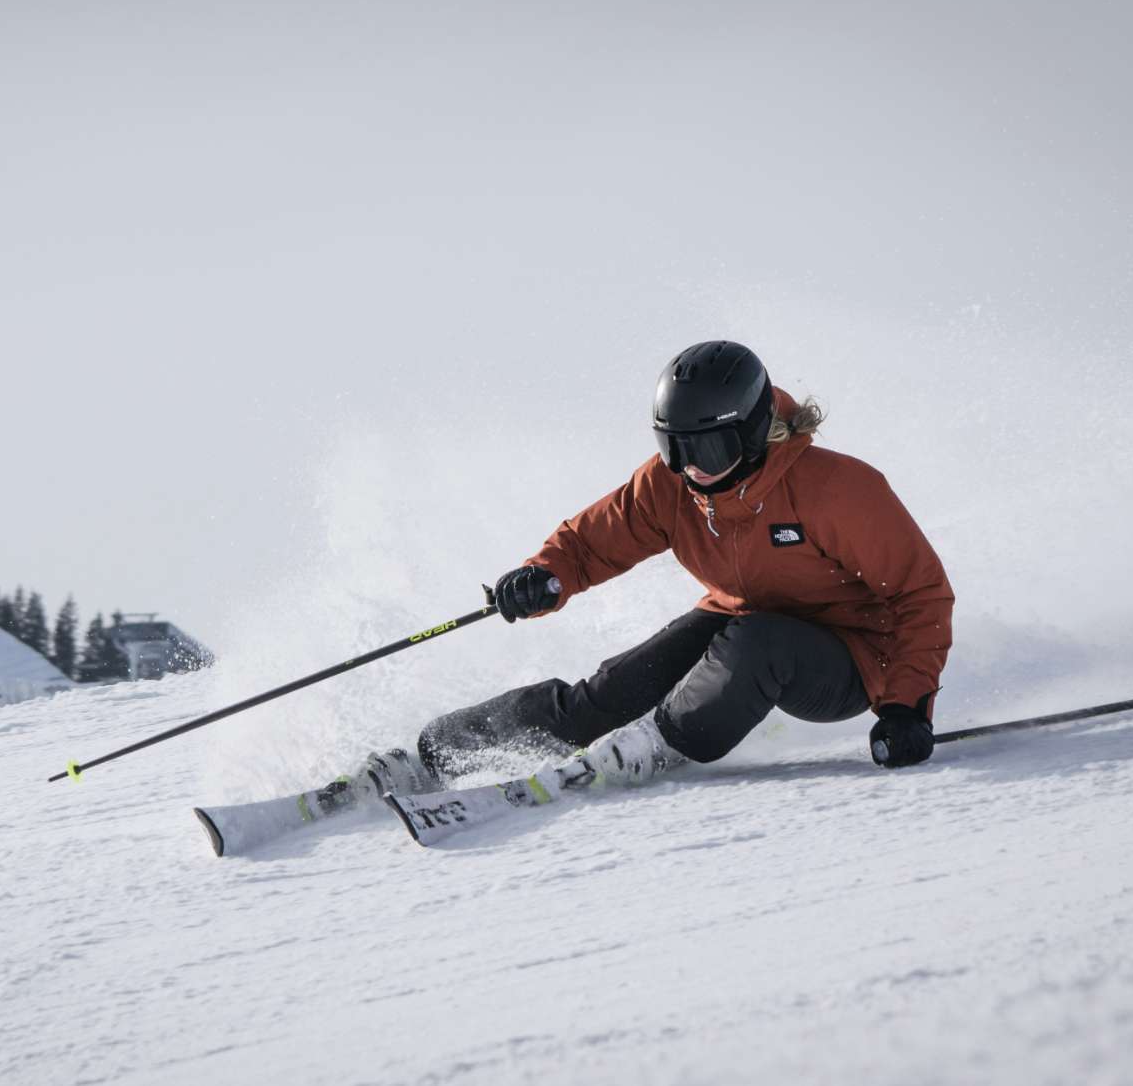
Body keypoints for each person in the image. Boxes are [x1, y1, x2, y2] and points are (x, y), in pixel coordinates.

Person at [349, 340, 954, 805]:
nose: (690, 470)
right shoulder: (674, 488)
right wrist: (545, 576)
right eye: (675, 449)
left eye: (706, 451)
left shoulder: (838, 490)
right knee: (607, 695)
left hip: (848, 657)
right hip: (737, 620)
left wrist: (906, 708)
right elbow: (591, 542)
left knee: (759, 641)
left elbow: (921, 594)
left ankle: (651, 746)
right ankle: (435, 754)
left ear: (748, 435)